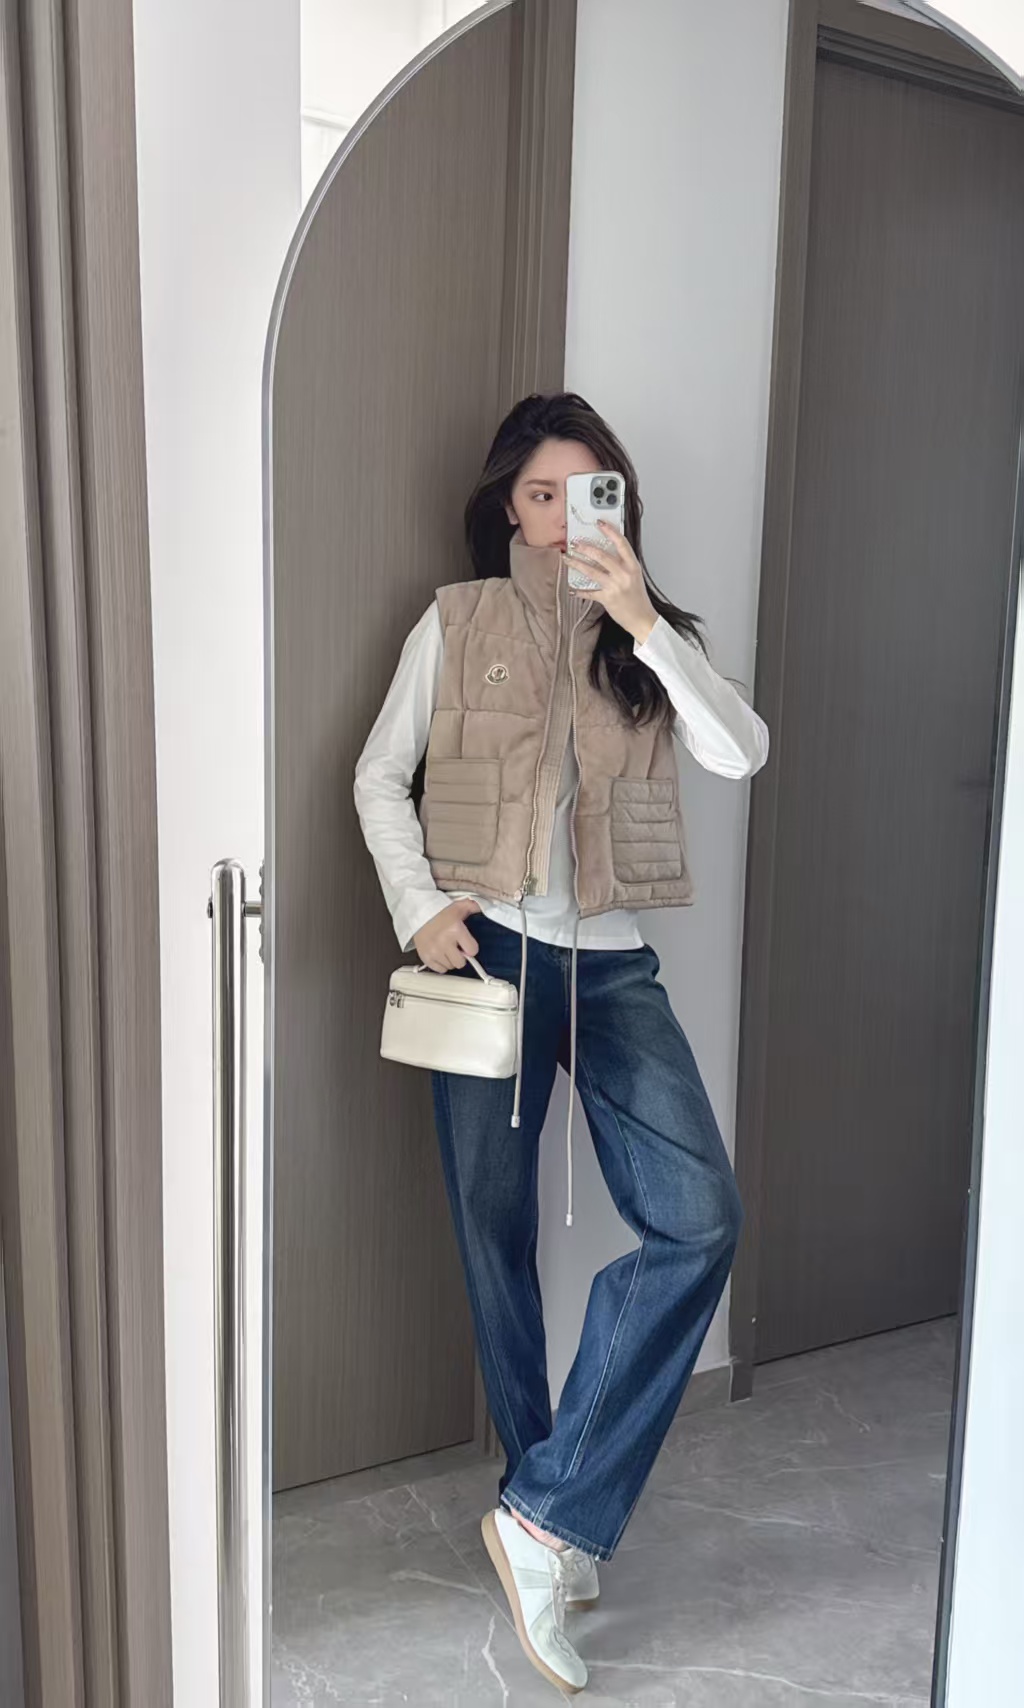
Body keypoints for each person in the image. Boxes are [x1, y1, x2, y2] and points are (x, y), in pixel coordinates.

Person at [353, 391, 769, 1695]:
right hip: (485, 956)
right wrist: (420, 909)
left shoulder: (654, 641)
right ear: (507, 508)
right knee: (496, 1233)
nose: (561, 517)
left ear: (618, 506)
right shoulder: (455, 621)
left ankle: (545, 1512)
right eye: (540, 494)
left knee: (698, 1218)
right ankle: (541, 1507)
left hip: (612, 967)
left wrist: (643, 619)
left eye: (588, 493)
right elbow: (378, 776)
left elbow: (742, 752)